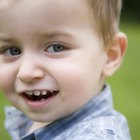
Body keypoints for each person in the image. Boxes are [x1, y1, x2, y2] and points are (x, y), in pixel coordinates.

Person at [0, 0, 131, 139]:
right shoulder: (29, 120)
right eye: (11, 51)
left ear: (110, 56)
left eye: (56, 47)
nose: (25, 72)